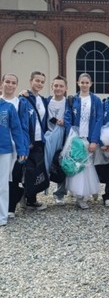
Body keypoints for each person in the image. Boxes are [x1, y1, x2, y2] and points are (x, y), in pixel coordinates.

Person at [64, 73, 103, 209]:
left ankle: (86, 192)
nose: (85, 85)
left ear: (91, 84)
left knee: (87, 166)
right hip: (76, 138)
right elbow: (67, 118)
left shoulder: (96, 100)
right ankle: (79, 195)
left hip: (89, 138)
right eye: (82, 82)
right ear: (78, 83)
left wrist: (94, 140)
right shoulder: (72, 99)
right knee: (77, 166)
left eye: (87, 83)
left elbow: (99, 120)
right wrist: (73, 137)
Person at [0, 73, 28, 224]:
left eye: (13, 82)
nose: (9, 85)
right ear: (2, 83)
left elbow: (17, 129)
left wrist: (22, 149)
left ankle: (2, 215)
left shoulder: (10, 107)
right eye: (7, 82)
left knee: (3, 183)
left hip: (5, 149)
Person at [19, 71, 48, 210]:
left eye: (42, 82)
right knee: (25, 169)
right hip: (28, 140)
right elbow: (22, 121)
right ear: (31, 81)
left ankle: (31, 198)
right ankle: (23, 197)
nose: (39, 84)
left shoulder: (43, 100)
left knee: (36, 169)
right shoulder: (23, 99)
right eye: (37, 80)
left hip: (39, 140)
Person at [46, 76, 68, 205]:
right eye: (56, 86)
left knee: (62, 165)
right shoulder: (46, 101)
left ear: (66, 88)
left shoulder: (69, 102)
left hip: (64, 137)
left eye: (61, 86)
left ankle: (60, 193)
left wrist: (66, 122)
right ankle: (41, 188)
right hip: (48, 138)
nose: (58, 88)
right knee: (46, 164)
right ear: (52, 87)